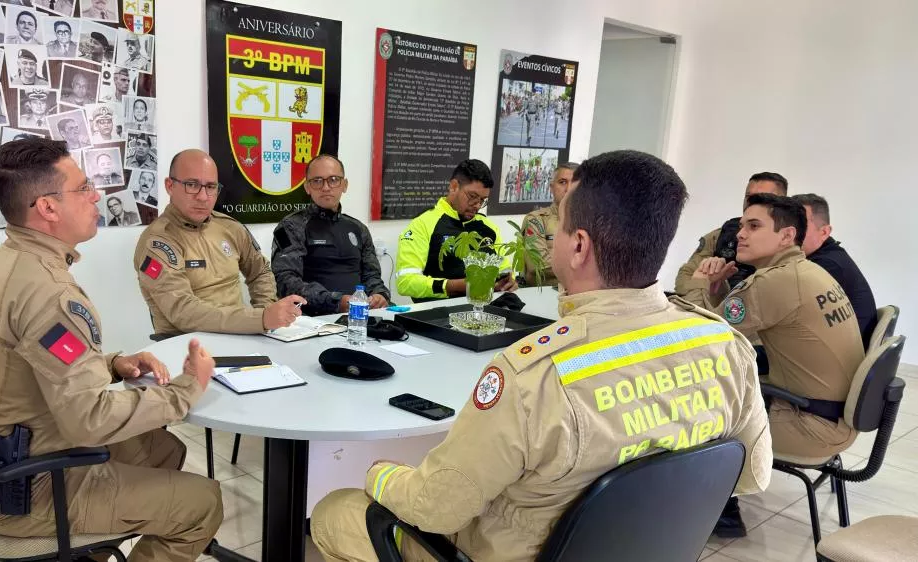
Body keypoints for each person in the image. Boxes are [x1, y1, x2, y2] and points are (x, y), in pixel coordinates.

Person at [311, 150, 773, 561]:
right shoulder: (726, 345)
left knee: (334, 512)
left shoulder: (533, 376)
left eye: (561, 227)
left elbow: (436, 507)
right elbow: (751, 476)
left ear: (578, 245)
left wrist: (380, 474)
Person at [0, 138, 223, 561]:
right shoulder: (49, 292)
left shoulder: (6, 263)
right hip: (23, 487)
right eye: (83, 188)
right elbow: (90, 421)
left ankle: (93, 546)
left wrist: (114, 363)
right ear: (47, 207)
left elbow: (39, 361)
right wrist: (188, 389)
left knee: (161, 448)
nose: (96, 195)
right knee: (202, 503)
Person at [679, 193, 864, 537]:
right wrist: (719, 289)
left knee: (692, 411)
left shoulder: (773, 282)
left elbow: (703, 337)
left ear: (786, 236)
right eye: (742, 224)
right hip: (832, 417)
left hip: (809, 426)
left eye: (753, 225)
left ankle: (721, 513)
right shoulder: (808, 271)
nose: (739, 234)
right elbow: (730, 324)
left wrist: (701, 285)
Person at [134, 149, 305, 336]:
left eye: (210, 186)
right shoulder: (158, 241)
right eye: (191, 185)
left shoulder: (229, 226)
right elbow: (183, 311)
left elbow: (260, 272)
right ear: (169, 186)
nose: (202, 196)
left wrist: (267, 316)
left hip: (242, 337)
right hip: (188, 347)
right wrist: (260, 319)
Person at [272, 154, 391, 315]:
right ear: (307, 187)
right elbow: (286, 281)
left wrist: (379, 295)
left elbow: (372, 276)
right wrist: (335, 302)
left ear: (344, 185)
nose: (326, 187)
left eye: (333, 179)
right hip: (313, 319)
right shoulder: (290, 227)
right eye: (317, 181)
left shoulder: (358, 228)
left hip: (360, 316)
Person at [396, 159, 517, 302]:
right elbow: (405, 282)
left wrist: (508, 281)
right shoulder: (422, 225)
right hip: (436, 315)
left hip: (484, 310)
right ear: (454, 187)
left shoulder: (489, 228)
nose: (477, 205)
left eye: (483, 200)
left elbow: (503, 269)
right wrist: (456, 286)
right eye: (472, 197)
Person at [674, 172, 788, 295]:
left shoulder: (788, 240)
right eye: (748, 196)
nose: (751, 202)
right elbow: (685, 277)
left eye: (761, 197)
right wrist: (710, 287)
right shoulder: (720, 236)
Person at [792, 193, 878, 347]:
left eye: (799, 226)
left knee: (741, 355)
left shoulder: (826, 266)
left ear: (824, 232)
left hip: (834, 358)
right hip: (836, 348)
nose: (790, 233)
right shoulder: (829, 256)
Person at [521, 161, 576, 286]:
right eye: (562, 182)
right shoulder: (536, 220)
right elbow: (537, 264)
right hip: (544, 295)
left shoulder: (592, 222)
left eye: (574, 183)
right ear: (551, 187)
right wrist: (586, 268)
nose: (568, 189)